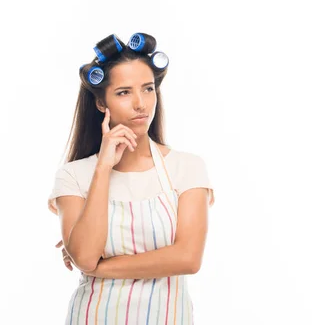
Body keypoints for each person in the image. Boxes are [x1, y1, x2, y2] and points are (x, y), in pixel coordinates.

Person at [47, 33, 215, 324]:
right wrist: (102, 168)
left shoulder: (186, 168)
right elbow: (86, 257)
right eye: (124, 92)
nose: (141, 103)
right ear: (101, 103)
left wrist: (100, 268)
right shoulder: (73, 175)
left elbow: (188, 258)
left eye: (148, 89)